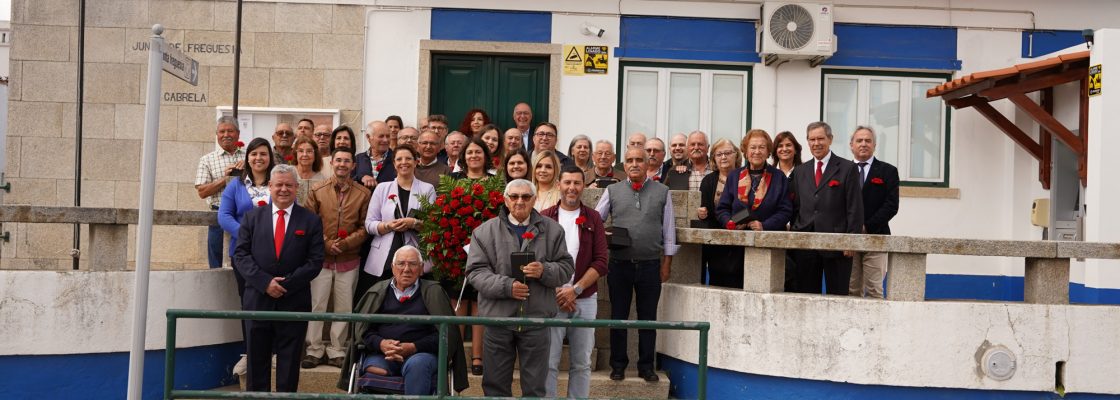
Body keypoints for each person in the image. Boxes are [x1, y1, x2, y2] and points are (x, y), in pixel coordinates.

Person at [466, 179, 575, 397]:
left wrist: (544, 270)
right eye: (514, 197)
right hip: (498, 320)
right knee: (495, 387)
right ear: (505, 200)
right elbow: (475, 273)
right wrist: (507, 287)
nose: (519, 201)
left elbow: (566, 268)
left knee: (535, 389)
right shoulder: (484, 231)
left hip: (536, 321)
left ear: (534, 199)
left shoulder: (553, 230)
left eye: (525, 197)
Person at [233, 164, 325, 393]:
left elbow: (315, 261)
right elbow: (241, 255)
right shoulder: (252, 218)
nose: (283, 189)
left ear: (297, 188)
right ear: (270, 187)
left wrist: (285, 284)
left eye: (289, 185)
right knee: (256, 363)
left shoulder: (311, 220)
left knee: (289, 363)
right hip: (257, 300)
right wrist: (265, 283)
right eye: (278, 185)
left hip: (293, 301)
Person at [337, 246, 469, 395]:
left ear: (421, 269)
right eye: (401, 264)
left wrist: (413, 347)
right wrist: (381, 344)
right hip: (383, 354)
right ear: (393, 268)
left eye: (412, 264)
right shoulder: (377, 291)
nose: (406, 269)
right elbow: (363, 330)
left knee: (417, 366)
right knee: (375, 368)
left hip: (422, 354)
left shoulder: (434, 292)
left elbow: (445, 334)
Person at [594, 147, 678, 383]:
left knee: (647, 319)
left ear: (647, 162)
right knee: (618, 317)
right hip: (619, 266)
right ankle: (618, 365)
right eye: (629, 160)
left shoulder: (663, 191)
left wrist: (667, 263)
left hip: (651, 265)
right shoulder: (612, 190)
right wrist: (607, 235)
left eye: (639, 160)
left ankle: (646, 366)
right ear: (624, 164)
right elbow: (595, 221)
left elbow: (669, 230)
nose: (634, 164)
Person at [540, 165, 609, 399]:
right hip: (552, 297)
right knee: (549, 361)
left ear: (583, 186)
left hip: (585, 298)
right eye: (567, 182)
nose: (572, 188)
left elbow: (601, 262)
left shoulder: (594, 218)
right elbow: (539, 259)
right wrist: (559, 290)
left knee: (581, 362)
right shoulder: (545, 217)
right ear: (559, 184)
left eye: (577, 183)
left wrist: (575, 290)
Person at [302, 147, 371, 369]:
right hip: (320, 259)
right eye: (338, 160)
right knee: (317, 305)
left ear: (353, 165)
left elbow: (365, 226)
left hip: (349, 258)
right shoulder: (317, 190)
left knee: (344, 307)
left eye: (347, 161)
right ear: (331, 163)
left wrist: (347, 243)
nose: (342, 164)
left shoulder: (363, 193)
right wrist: (325, 243)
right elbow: (308, 223)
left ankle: (337, 351)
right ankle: (313, 350)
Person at [788, 121, 864, 295]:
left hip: (837, 244)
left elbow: (855, 207)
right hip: (806, 244)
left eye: (821, 138)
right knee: (806, 296)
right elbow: (797, 207)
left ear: (830, 139)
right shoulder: (800, 171)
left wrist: (851, 239)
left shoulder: (847, 168)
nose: (816, 143)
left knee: (838, 296)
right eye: (812, 139)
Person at [712, 131, 794, 288]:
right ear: (745, 151)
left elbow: (785, 211)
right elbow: (722, 208)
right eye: (753, 147)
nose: (757, 151)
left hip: (768, 245)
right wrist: (729, 222)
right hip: (737, 247)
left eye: (762, 147)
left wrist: (764, 225)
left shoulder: (778, 177)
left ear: (768, 151)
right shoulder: (734, 176)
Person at [361, 145, 436, 299]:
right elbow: (369, 224)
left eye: (408, 158)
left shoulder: (427, 189)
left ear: (416, 162)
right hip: (385, 256)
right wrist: (387, 226)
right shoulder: (382, 188)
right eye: (399, 159)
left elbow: (433, 226)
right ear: (394, 164)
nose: (404, 162)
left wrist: (414, 223)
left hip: (415, 254)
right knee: (382, 301)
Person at [447, 137, 493, 377]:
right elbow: (443, 211)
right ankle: (454, 355)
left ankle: (478, 357)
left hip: (486, 253)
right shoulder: (452, 181)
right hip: (456, 251)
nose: (473, 156)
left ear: (485, 155)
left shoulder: (496, 182)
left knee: (479, 304)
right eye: (469, 152)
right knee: (458, 303)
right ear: (462, 157)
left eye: (478, 152)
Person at [848, 126, 899, 298]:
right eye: (859, 140)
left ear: (874, 145)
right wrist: (852, 228)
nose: (863, 144)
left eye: (868, 140)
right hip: (849, 238)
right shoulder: (842, 170)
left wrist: (867, 226)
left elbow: (891, 205)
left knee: (874, 289)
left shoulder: (888, 171)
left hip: (877, 237)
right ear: (851, 145)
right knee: (851, 289)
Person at [195, 116, 244, 269]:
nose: (226, 135)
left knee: (244, 257)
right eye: (222, 131)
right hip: (218, 216)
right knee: (216, 261)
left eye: (230, 131)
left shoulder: (250, 157)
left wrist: (247, 171)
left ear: (238, 133)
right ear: (216, 135)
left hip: (245, 214)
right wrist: (226, 178)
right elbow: (202, 192)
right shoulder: (207, 160)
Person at [695, 138, 742, 286]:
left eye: (728, 153)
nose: (723, 157)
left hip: (740, 239)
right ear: (714, 158)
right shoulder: (708, 180)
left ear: (736, 155)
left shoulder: (744, 177)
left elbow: (751, 207)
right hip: (716, 242)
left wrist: (734, 222)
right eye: (719, 154)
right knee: (717, 283)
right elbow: (705, 209)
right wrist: (700, 212)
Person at [354, 120, 397, 189]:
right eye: (381, 136)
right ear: (368, 137)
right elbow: (348, 179)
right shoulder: (358, 159)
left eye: (388, 136)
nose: (385, 140)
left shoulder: (397, 158)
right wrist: (361, 177)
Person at [292, 136, 327, 206]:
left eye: (309, 151)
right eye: (301, 151)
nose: (305, 155)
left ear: (315, 154)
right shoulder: (288, 174)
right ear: (296, 154)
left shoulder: (322, 180)